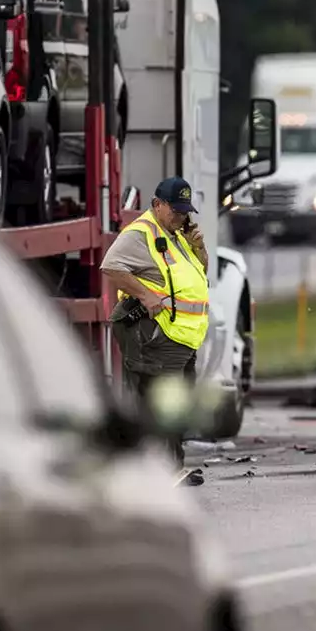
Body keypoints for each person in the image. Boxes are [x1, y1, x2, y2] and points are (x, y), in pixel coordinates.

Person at [101, 177, 211, 486]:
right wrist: (145, 295)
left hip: (182, 337)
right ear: (156, 205)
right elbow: (111, 266)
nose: (180, 217)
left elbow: (199, 275)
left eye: (184, 212)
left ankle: (171, 468)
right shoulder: (141, 233)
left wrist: (198, 250)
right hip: (158, 334)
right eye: (174, 210)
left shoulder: (175, 234)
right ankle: (159, 471)